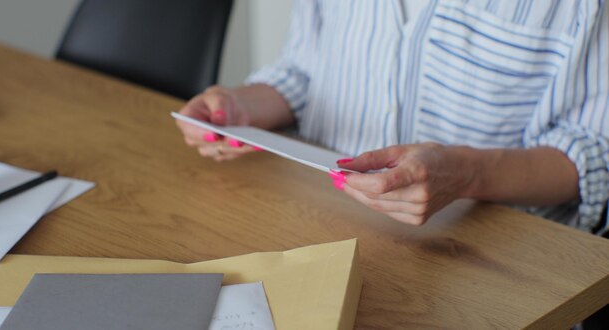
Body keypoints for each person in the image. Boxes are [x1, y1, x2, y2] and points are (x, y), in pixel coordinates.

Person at [176, 0, 609, 236]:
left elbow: (593, 158)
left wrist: (465, 175)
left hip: (486, 264)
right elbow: (304, 72)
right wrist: (240, 106)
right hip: (318, 227)